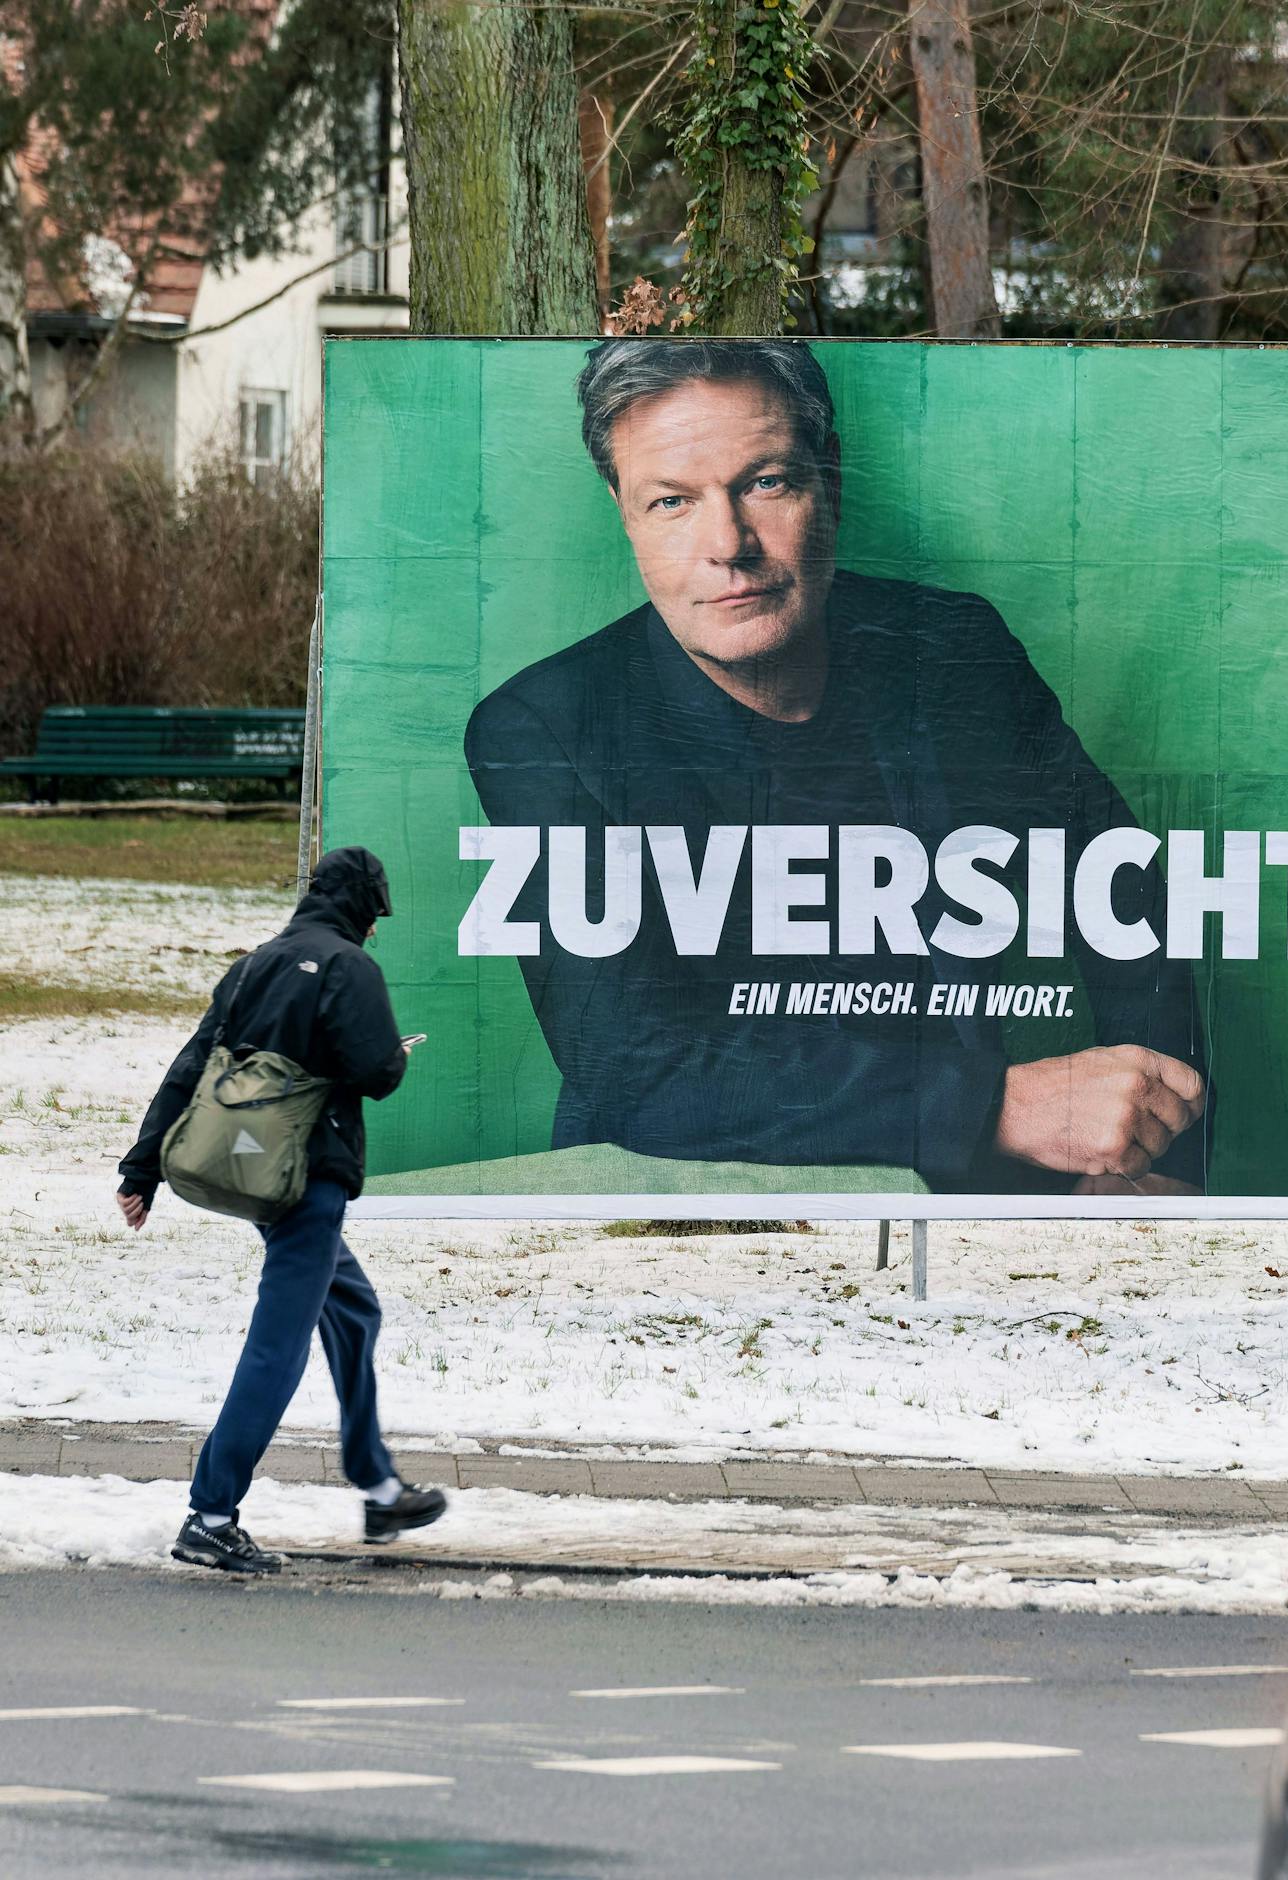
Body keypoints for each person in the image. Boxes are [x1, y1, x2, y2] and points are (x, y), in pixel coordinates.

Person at [466, 338, 1210, 1196]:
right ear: (625, 512)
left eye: (766, 482)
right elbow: (637, 1073)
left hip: (965, 1197)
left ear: (832, 478)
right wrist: (999, 1108)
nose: (728, 544)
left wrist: (1153, 1153)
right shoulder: (543, 727)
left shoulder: (953, 649)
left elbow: (1128, 904)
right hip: (685, 1212)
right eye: (672, 501)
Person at [116, 846, 447, 1574]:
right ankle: (209, 1515)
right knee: (278, 1347)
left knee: (354, 1311)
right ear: (364, 910)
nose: (373, 933)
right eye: (375, 919)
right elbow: (377, 1074)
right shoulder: (348, 967)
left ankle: (380, 1485)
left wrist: (142, 1168)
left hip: (257, 1176)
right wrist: (393, 1050)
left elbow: (191, 1064)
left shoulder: (255, 964)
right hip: (308, 1180)